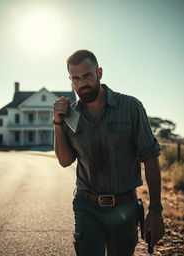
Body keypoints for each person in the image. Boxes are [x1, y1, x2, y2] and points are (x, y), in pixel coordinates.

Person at [53, 49, 165, 256]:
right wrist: (57, 124)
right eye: (76, 78)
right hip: (86, 207)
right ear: (70, 80)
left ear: (100, 73)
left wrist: (156, 210)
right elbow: (65, 161)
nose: (82, 83)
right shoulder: (71, 115)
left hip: (124, 208)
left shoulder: (130, 107)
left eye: (87, 75)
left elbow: (150, 156)